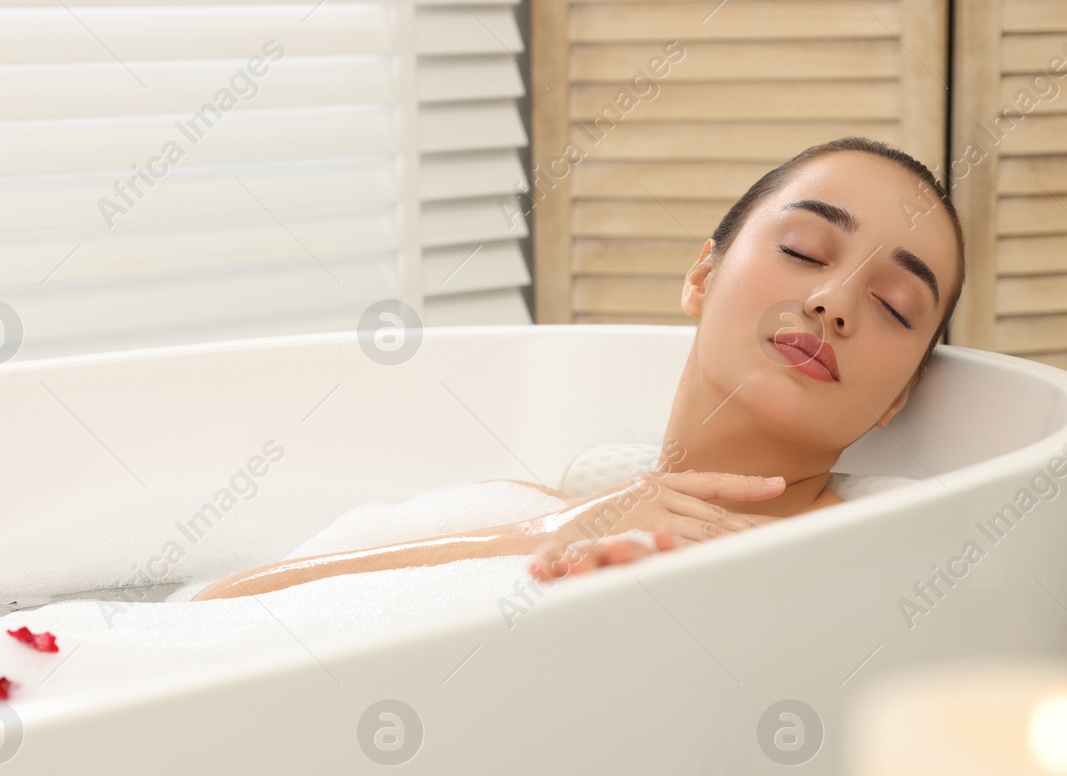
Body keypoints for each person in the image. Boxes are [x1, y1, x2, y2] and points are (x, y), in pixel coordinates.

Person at [194, 137, 965, 601]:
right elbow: (218, 612)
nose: (834, 303)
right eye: (802, 251)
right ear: (702, 277)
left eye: (896, 305)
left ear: (901, 395)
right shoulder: (531, 509)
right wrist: (550, 531)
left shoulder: (881, 558)